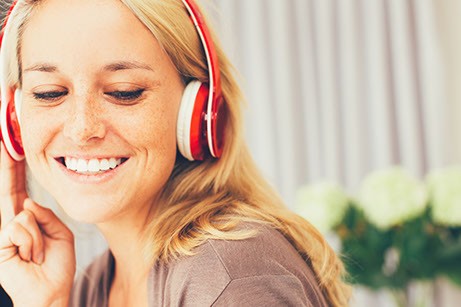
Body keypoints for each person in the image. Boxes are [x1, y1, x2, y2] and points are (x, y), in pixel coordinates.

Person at [0, 0, 351, 306]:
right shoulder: (93, 284)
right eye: (49, 93)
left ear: (195, 111)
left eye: (125, 92)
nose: (81, 128)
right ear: (14, 119)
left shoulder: (230, 276)